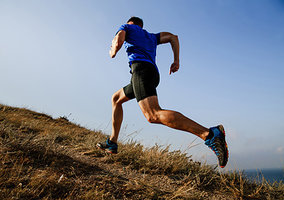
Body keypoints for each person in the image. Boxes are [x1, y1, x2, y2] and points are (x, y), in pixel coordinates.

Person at [97, 17, 228, 168]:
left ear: (131, 23)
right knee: (116, 98)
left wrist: (113, 49)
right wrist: (176, 60)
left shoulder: (127, 27)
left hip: (141, 71)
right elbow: (173, 37)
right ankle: (112, 142)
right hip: (151, 74)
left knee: (152, 115)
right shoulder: (151, 37)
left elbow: (119, 40)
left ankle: (210, 134)